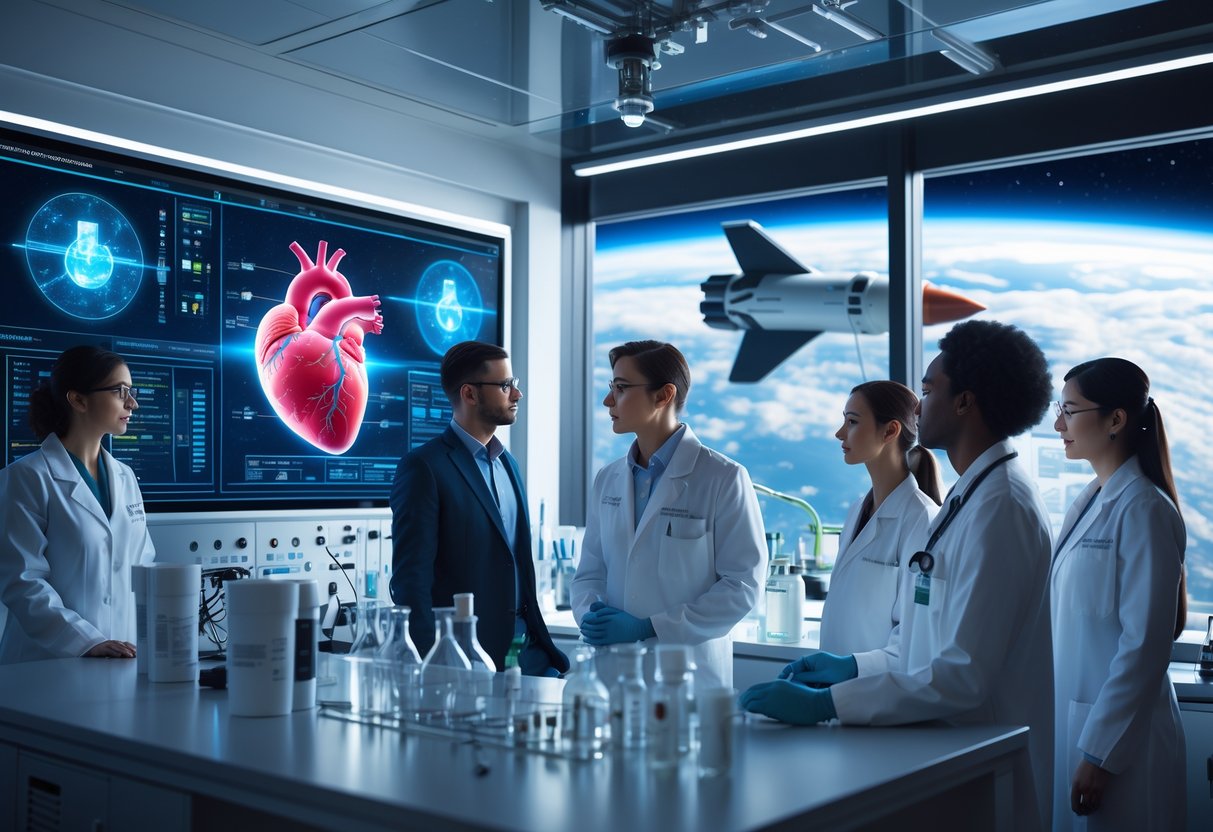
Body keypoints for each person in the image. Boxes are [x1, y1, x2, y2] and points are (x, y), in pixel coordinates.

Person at [741, 320, 1056, 831]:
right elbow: (919, 642)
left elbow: (961, 674)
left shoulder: (1002, 506)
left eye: (929, 391)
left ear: (964, 403)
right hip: (940, 752)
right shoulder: (971, 497)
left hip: (975, 758)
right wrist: (852, 668)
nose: (918, 406)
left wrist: (829, 703)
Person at [571, 340, 766, 689]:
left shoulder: (723, 478)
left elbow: (742, 587)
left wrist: (649, 628)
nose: (608, 400)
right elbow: (589, 573)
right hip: (613, 672)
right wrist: (591, 617)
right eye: (610, 387)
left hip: (688, 678)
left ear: (663, 396)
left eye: (621, 388)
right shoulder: (608, 479)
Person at [1049, 358, 1186, 830]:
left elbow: (1145, 645)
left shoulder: (1144, 509)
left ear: (1115, 419)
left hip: (1120, 745)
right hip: (1080, 724)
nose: (1057, 423)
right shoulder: (1090, 500)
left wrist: (1100, 753)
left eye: (1069, 409)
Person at [389, 341, 568, 677]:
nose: (517, 395)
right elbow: (411, 583)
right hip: (470, 660)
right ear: (469, 394)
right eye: (505, 386)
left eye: (514, 385)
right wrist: (438, 666)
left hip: (527, 653)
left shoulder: (508, 465)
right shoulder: (424, 468)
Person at [0, 345, 155, 663]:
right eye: (119, 391)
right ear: (78, 399)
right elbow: (21, 581)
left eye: (131, 391)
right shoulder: (27, 477)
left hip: (121, 656)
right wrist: (85, 642)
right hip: (44, 665)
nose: (132, 403)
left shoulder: (125, 478)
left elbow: (144, 568)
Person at [818, 381, 942, 655]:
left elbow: (912, 635)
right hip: (836, 685)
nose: (840, 434)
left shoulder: (922, 519)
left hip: (879, 689)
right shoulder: (857, 511)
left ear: (890, 431)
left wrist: (854, 669)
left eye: (852, 422)